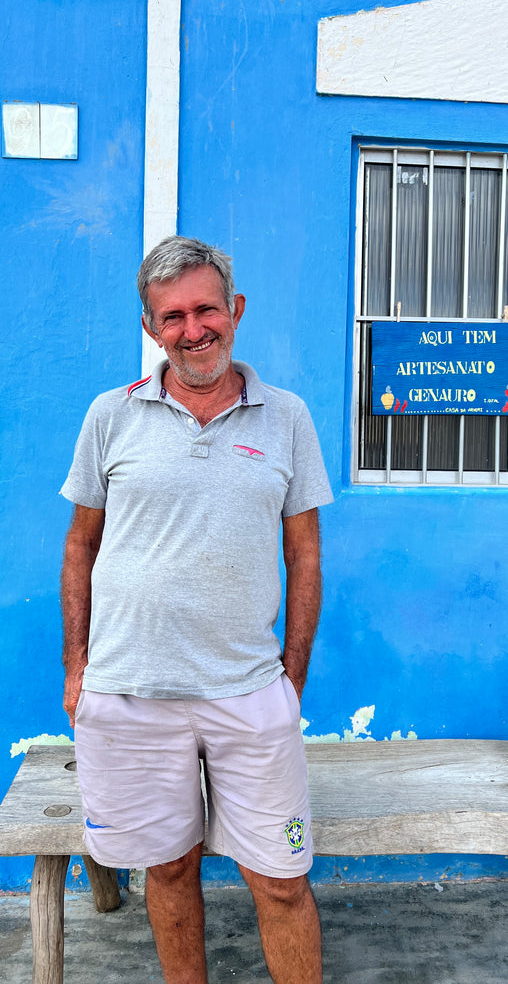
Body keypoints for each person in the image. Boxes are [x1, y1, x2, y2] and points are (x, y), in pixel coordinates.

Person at [60, 236, 333, 984]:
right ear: (152, 327)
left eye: (206, 308)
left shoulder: (287, 418)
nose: (193, 328)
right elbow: (80, 546)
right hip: (131, 694)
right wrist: (77, 668)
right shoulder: (109, 416)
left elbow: (304, 553)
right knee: (171, 871)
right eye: (172, 315)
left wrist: (291, 677)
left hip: (249, 693)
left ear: (235, 310)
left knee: (280, 878)